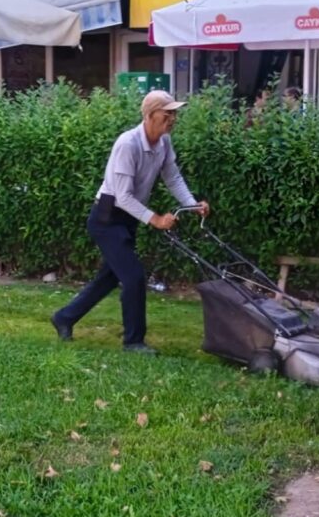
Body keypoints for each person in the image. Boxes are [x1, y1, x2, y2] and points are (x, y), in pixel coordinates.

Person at [50, 90, 210, 355]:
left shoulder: (163, 143)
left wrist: (192, 205)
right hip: (107, 217)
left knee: (109, 279)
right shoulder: (128, 144)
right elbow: (122, 196)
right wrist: (155, 219)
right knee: (133, 277)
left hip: (127, 217)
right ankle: (133, 342)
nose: (173, 118)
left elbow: (172, 177)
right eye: (167, 113)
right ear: (149, 115)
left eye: (174, 113)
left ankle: (64, 318)